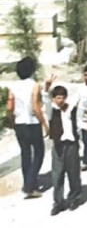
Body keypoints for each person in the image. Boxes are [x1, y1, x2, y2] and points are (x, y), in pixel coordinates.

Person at [6, 56, 47, 198]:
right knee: (39, 153)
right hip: (33, 123)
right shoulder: (34, 85)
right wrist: (44, 123)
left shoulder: (13, 86)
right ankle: (29, 186)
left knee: (25, 154)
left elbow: (9, 107)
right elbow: (36, 106)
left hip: (19, 123)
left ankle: (29, 181)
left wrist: (12, 121)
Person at [48, 85, 82, 216]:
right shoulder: (52, 111)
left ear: (65, 98)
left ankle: (74, 198)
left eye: (62, 97)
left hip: (71, 145)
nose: (60, 100)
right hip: (58, 145)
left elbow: (78, 123)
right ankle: (58, 202)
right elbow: (45, 100)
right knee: (57, 176)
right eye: (57, 98)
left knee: (73, 173)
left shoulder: (71, 110)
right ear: (54, 99)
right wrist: (46, 88)